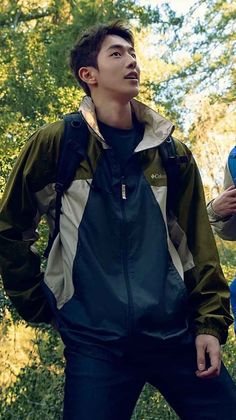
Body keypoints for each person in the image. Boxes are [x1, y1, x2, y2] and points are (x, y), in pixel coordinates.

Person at [0, 20, 236, 420]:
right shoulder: (59, 143)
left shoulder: (172, 153)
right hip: (95, 345)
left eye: (132, 54)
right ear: (87, 75)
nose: (131, 62)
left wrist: (210, 324)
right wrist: (42, 303)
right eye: (117, 54)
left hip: (175, 333)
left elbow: (199, 248)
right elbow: (10, 229)